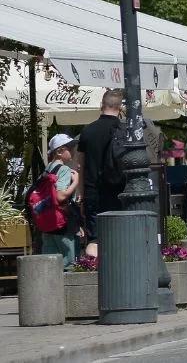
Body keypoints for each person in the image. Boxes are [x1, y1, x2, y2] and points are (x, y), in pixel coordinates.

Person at [79, 89, 125, 246]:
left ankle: (92, 269)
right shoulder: (124, 131)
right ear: (121, 108)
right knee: (120, 237)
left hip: (93, 191)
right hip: (119, 192)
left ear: (101, 105)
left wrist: (81, 195)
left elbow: (80, 165)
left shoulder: (87, 131)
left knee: (95, 240)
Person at [42, 134, 81, 268]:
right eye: (69, 148)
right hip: (62, 222)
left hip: (47, 222)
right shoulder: (64, 169)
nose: (73, 150)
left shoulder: (47, 170)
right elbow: (60, 196)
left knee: (50, 265)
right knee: (68, 263)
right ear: (59, 152)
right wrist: (75, 182)